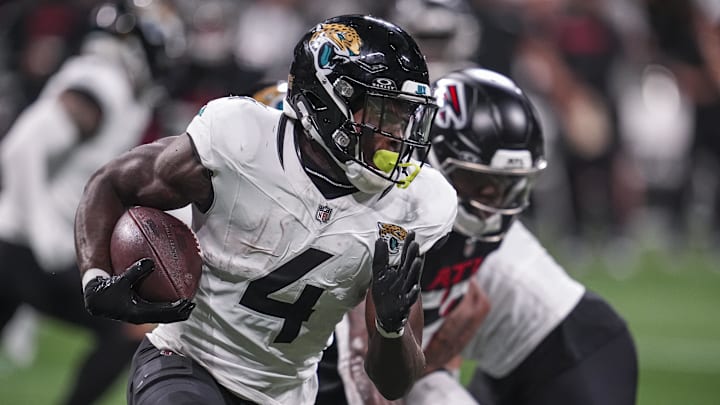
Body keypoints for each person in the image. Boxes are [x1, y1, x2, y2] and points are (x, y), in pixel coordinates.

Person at [74, 14, 457, 405]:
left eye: (405, 115)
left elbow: (394, 384)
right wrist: (95, 277)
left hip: (284, 396)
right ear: (330, 99)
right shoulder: (242, 141)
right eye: (383, 111)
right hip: (186, 362)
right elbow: (113, 182)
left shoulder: (413, 205)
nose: (397, 132)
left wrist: (392, 329)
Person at [317, 68, 639, 405]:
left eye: (508, 187)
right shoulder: (389, 216)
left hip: (566, 347)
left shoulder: (479, 237)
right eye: (479, 183)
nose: (492, 205)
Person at [0, 2, 177, 404]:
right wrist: (48, 236)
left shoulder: (104, 81)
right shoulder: (105, 83)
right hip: (24, 248)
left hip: (13, 242)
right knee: (131, 328)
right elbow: (18, 151)